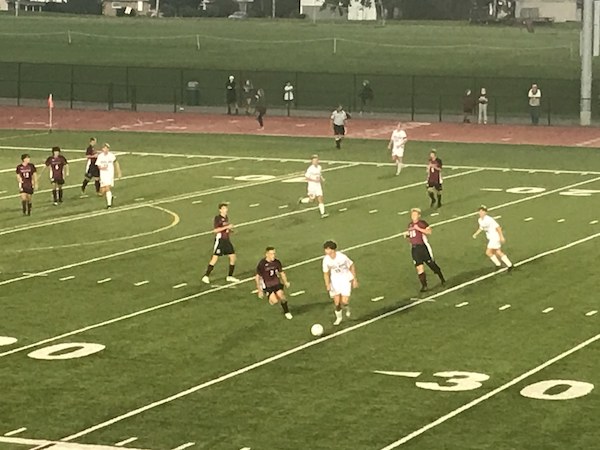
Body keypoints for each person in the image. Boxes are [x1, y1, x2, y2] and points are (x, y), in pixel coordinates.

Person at [407, 208, 445, 292]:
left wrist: (419, 229)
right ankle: (424, 286)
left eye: (415, 214)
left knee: (431, 264)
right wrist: (407, 236)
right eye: (412, 214)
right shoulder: (410, 225)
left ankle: (441, 277)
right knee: (419, 267)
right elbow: (412, 237)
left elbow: (429, 232)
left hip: (423, 247)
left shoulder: (422, 223)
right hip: (414, 249)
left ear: (419, 216)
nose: (413, 216)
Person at [202, 203, 240, 284]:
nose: (226, 210)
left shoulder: (226, 218)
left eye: (226, 208)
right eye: (224, 208)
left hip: (226, 240)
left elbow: (225, 229)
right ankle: (206, 276)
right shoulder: (217, 218)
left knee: (233, 257)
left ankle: (230, 276)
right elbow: (215, 230)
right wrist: (227, 227)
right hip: (220, 240)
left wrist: (231, 230)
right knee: (215, 258)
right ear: (220, 210)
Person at [322, 240, 358, 326]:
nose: (326, 251)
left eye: (327, 249)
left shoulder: (342, 257)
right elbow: (326, 273)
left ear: (332, 249)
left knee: (344, 301)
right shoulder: (326, 260)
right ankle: (339, 318)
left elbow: (351, 265)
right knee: (337, 303)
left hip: (345, 279)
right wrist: (327, 284)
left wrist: (354, 279)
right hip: (335, 281)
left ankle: (347, 307)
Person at [255, 247, 293, 320]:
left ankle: (287, 312)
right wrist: (259, 290)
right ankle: (270, 297)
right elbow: (257, 277)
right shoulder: (262, 264)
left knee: (282, 296)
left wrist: (285, 282)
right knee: (275, 301)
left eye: (274, 254)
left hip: (276, 282)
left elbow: (281, 273)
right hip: (267, 285)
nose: (273, 255)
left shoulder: (277, 262)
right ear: (267, 254)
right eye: (271, 254)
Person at [472, 205, 514, 270]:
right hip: (491, 238)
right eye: (480, 211)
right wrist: (476, 234)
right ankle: (509, 265)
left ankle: (498, 264)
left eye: (482, 211)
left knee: (488, 252)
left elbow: (498, 228)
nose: (481, 213)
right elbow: (481, 228)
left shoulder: (489, 219)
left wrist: (501, 237)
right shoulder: (480, 220)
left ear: (485, 212)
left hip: (495, 237)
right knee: (498, 251)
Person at [95, 143, 122, 209]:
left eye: (107, 148)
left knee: (107, 188)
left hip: (109, 175)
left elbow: (116, 163)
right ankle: (110, 197)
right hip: (103, 175)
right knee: (102, 191)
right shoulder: (100, 156)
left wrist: (119, 172)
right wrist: (102, 168)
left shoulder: (111, 156)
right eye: (105, 148)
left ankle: (109, 205)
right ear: (102, 149)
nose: (106, 149)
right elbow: (98, 165)